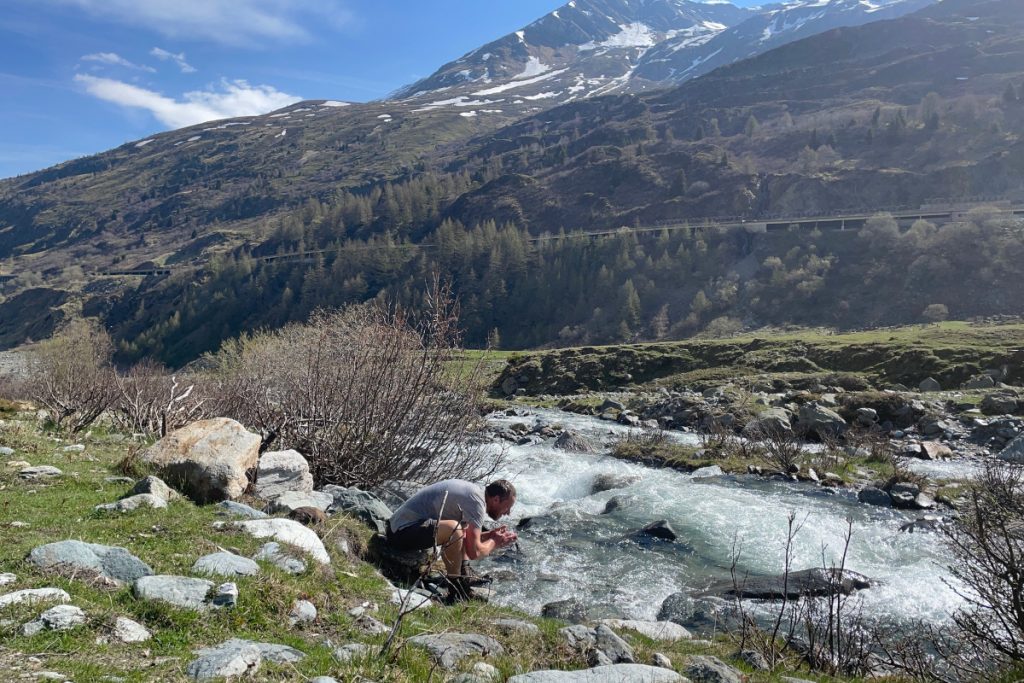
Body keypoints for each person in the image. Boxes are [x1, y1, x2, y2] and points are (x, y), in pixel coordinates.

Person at [385, 478, 518, 600]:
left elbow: (468, 538)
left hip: (399, 528)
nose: (508, 513)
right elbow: (475, 551)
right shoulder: (477, 503)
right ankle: (456, 589)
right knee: (454, 529)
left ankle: (463, 575)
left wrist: (489, 535)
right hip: (401, 532)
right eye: (507, 507)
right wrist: (495, 541)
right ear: (496, 500)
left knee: (460, 529)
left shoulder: (475, 493)